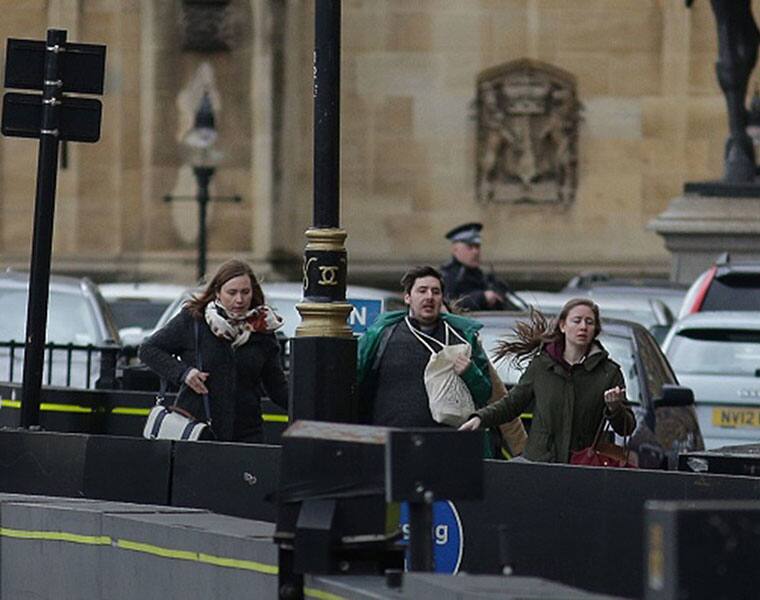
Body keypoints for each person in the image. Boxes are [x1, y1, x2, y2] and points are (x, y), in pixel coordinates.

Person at [459, 298, 635, 463]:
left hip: (583, 468)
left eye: (589, 322)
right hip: (541, 464)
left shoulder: (608, 372)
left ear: (595, 330)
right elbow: (512, 404)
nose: (583, 327)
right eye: (577, 320)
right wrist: (480, 418)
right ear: (563, 326)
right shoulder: (542, 365)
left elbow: (627, 427)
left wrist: (615, 408)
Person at [139, 259, 288, 443]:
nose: (239, 299)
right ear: (217, 292)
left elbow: (277, 387)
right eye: (232, 293)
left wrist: (312, 411)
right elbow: (148, 350)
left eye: (245, 292)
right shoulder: (194, 321)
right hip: (195, 429)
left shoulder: (262, 330)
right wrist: (184, 373)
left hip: (246, 433)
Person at [357, 265, 493, 429]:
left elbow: (485, 393)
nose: (429, 297)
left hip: (445, 442)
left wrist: (470, 373)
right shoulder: (384, 335)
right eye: (422, 291)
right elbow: (356, 381)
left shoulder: (462, 337)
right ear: (407, 297)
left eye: (436, 292)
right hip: (392, 441)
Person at [439, 222, 515, 311]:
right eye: (470, 247)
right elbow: (446, 305)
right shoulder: (448, 276)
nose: (476, 252)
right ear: (455, 250)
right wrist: (481, 297)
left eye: (477, 247)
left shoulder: (482, 277)